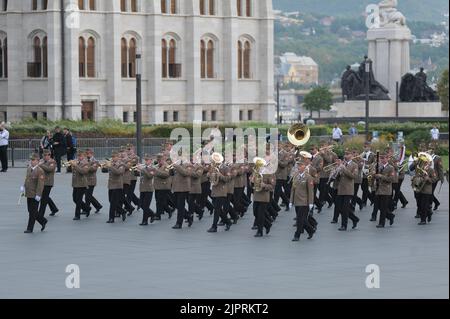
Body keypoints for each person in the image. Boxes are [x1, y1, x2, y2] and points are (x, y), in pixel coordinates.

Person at [22, 153, 47, 233]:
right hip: (29, 193)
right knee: (31, 210)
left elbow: (41, 184)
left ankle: (30, 228)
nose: (32, 161)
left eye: (33, 160)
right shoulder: (29, 168)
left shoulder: (40, 171)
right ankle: (43, 220)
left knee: (32, 212)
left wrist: (38, 194)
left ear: (38, 161)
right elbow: (27, 179)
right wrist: (23, 186)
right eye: (31, 160)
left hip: (35, 194)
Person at [290, 162, 315, 241]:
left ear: (304, 168)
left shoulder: (308, 177)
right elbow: (293, 189)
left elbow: (311, 191)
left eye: (300, 166)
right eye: (298, 166)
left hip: (304, 202)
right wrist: (291, 201)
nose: (298, 167)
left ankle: (297, 235)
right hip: (297, 201)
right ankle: (311, 230)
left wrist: (311, 203)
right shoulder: (295, 176)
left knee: (300, 219)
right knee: (302, 219)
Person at [373, 153, 396, 228]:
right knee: (379, 206)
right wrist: (374, 175)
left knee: (383, 207)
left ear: (387, 159)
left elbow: (391, 179)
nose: (382, 160)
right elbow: (375, 175)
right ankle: (390, 216)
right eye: (381, 158)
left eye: (384, 158)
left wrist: (381, 176)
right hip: (378, 189)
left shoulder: (391, 168)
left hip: (386, 190)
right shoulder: (378, 166)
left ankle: (381, 223)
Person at [38, 150, 59, 218]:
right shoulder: (41, 161)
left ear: (50, 155)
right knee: (45, 196)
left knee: (44, 199)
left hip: (48, 182)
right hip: (41, 182)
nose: (46, 157)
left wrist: (41, 165)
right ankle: (54, 208)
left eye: (47, 155)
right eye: (44, 155)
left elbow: (50, 169)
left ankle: (40, 214)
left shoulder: (52, 162)